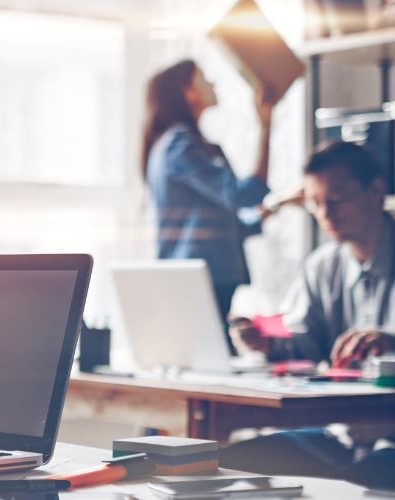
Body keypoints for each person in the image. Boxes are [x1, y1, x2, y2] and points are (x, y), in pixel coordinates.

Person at [222, 141, 395, 490]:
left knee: (352, 484)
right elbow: (305, 344)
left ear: (376, 191)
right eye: (315, 203)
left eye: (336, 200)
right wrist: (266, 342)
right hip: (341, 436)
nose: (325, 214)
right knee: (229, 462)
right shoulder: (322, 266)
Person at [141, 59, 278, 352]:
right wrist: (266, 127)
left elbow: (229, 223)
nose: (213, 84)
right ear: (187, 92)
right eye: (203, 78)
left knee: (210, 359)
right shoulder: (181, 145)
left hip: (201, 276)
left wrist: (277, 207)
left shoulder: (183, 144)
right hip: (199, 277)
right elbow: (243, 195)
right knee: (210, 360)